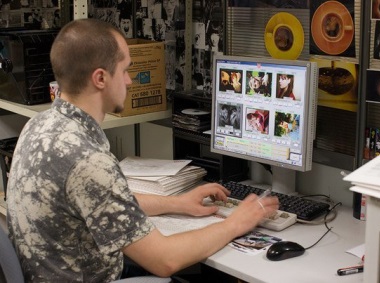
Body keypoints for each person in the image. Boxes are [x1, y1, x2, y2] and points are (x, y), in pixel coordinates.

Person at [6, 18, 279, 282]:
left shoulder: (41, 125)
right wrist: (237, 222)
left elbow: (105, 200)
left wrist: (178, 204)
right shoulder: (86, 159)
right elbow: (164, 260)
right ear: (100, 78)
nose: (129, 82)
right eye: (124, 70)